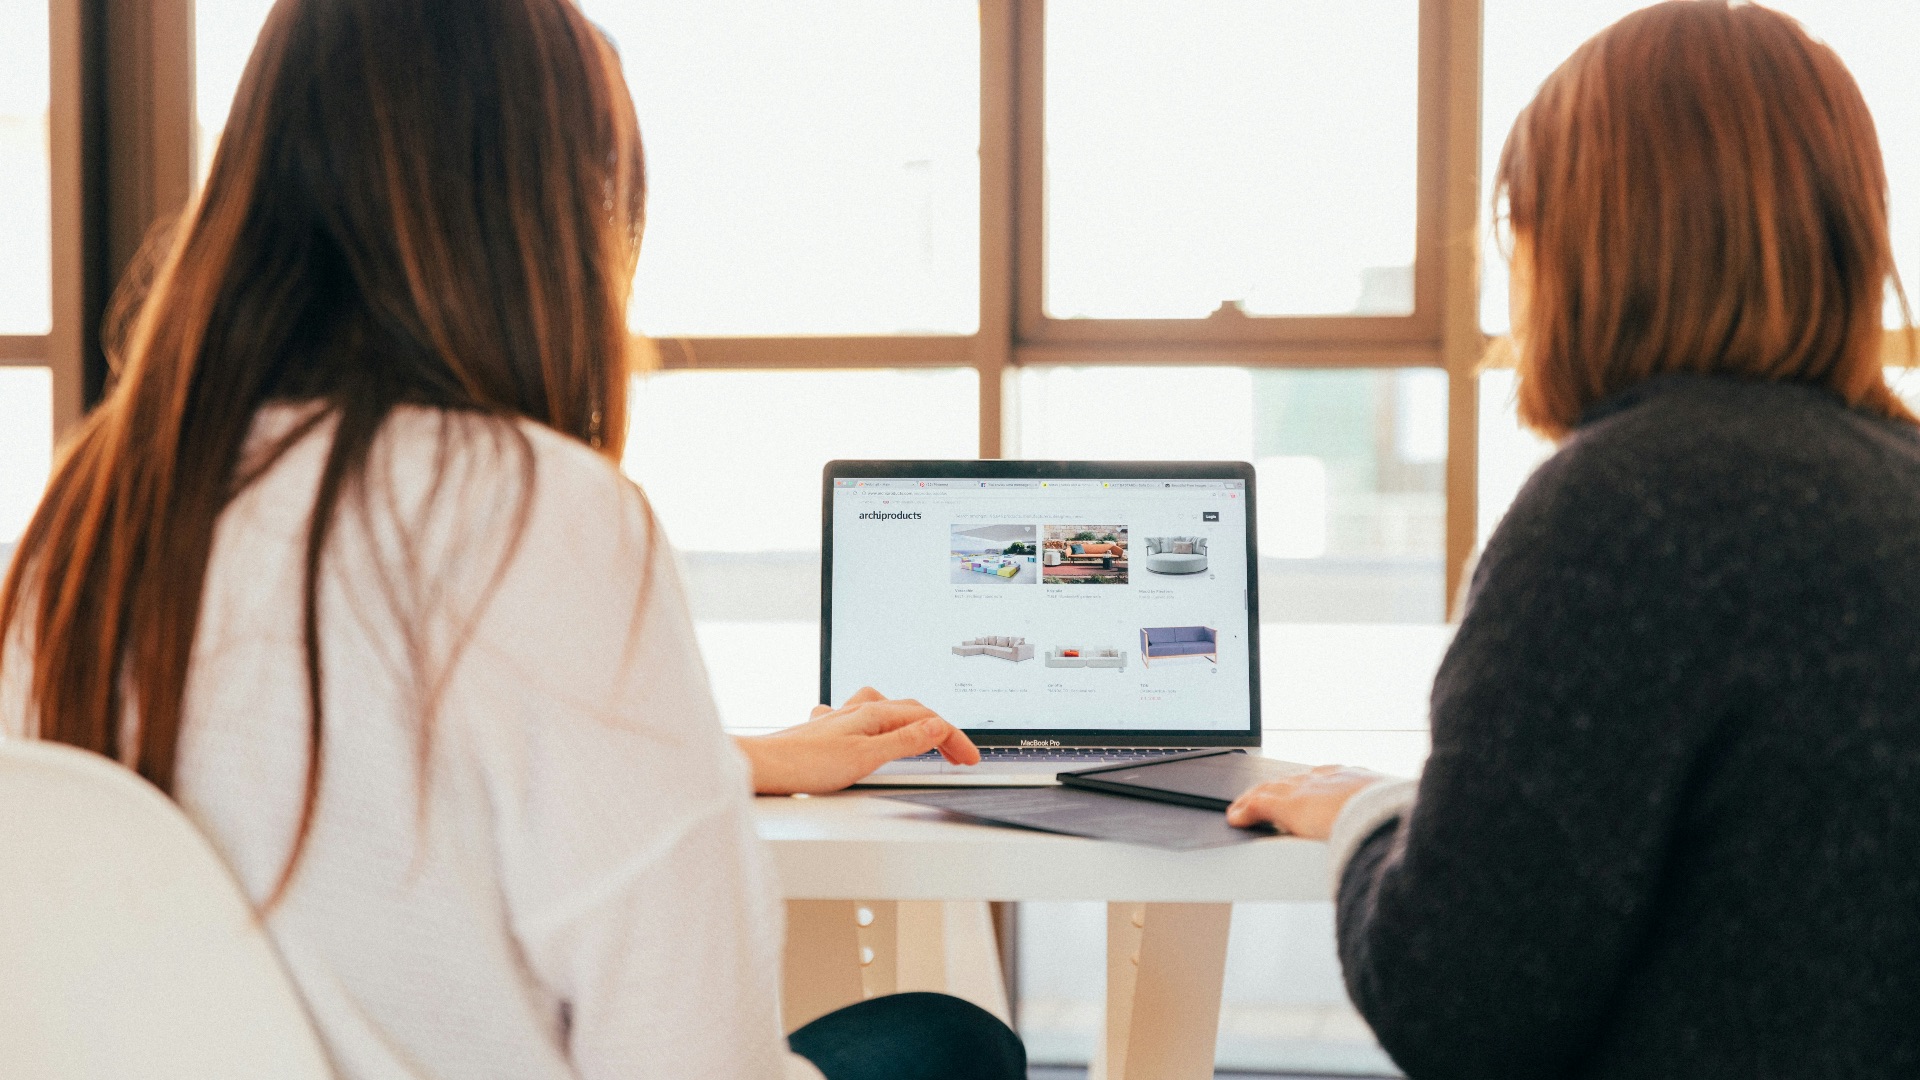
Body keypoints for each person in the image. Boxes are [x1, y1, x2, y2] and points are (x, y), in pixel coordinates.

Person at [0, 2, 1023, 1079]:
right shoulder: (536, 511)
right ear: (549, 217)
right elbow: (688, 1050)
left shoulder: (89, 516)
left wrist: (739, 761)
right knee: (949, 1042)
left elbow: (340, 785)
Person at [1227, 3, 1920, 1077]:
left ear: (1580, 242)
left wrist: (1370, 820)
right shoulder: (1897, 477)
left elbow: (1455, 1002)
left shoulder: (1623, 506)